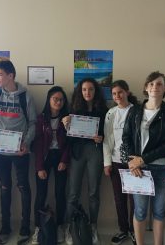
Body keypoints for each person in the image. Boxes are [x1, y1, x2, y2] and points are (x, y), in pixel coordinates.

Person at [0, 60, 36, 245]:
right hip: (0, 152)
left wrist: (26, 143)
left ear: (11, 75)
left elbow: (33, 124)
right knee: (4, 188)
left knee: (23, 187)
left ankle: (25, 227)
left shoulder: (25, 96)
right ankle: (5, 228)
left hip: (20, 152)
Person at [121, 71, 165, 245]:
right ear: (146, 88)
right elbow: (126, 138)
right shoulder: (135, 111)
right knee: (139, 211)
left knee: (159, 211)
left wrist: (143, 159)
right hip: (138, 169)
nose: (155, 87)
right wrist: (132, 162)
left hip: (162, 169)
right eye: (151, 84)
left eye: (159, 84)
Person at [62, 77, 108, 245]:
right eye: (84, 89)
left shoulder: (103, 111)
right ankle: (69, 226)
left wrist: (101, 138)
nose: (87, 92)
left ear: (96, 91)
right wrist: (66, 124)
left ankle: (93, 227)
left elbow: (107, 135)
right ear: (80, 92)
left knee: (94, 192)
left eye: (91, 89)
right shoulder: (73, 109)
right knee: (73, 192)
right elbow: (68, 139)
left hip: (95, 152)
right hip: (77, 153)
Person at [31, 86, 69, 244]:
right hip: (44, 158)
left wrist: (64, 160)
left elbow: (69, 143)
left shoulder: (67, 119)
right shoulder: (41, 118)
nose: (58, 102)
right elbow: (38, 144)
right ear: (49, 100)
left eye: (61, 99)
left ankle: (60, 226)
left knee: (60, 193)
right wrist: (39, 167)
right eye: (55, 99)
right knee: (41, 194)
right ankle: (38, 227)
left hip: (60, 157)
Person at [103, 80, 138, 245]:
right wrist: (107, 162)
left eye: (120, 92)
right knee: (119, 198)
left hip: (133, 162)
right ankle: (123, 229)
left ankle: (134, 230)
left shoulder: (137, 111)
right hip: (116, 162)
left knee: (134, 198)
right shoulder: (110, 113)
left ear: (127, 92)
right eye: (114, 94)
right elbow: (107, 140)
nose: (117, 96)